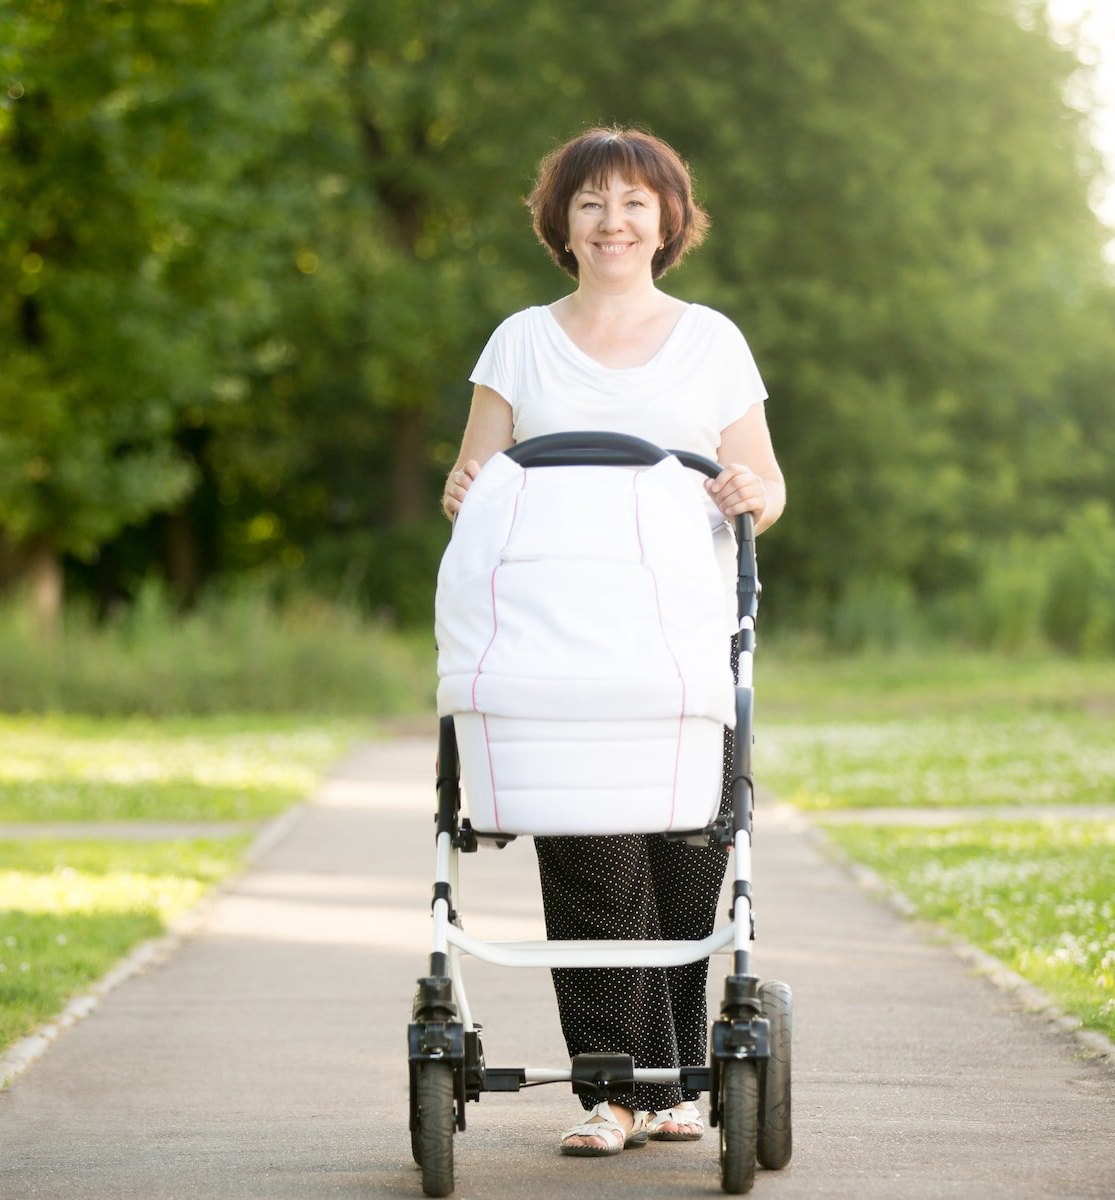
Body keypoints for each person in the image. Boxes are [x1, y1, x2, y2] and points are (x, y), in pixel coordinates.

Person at [441, 127, 785, 1157]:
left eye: (636, 202)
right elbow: (472, 485)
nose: (614, 221)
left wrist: (746, 494)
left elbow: (767, 488)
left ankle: (676, 1081)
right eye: (591, 203)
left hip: (681, 633)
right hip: (555, 638)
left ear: (667, 221)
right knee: (591, 858)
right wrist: (461, 492)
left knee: (686, 858)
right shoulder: (519, 341)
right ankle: (613, 1091)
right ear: (563, 224)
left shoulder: (713, 340)